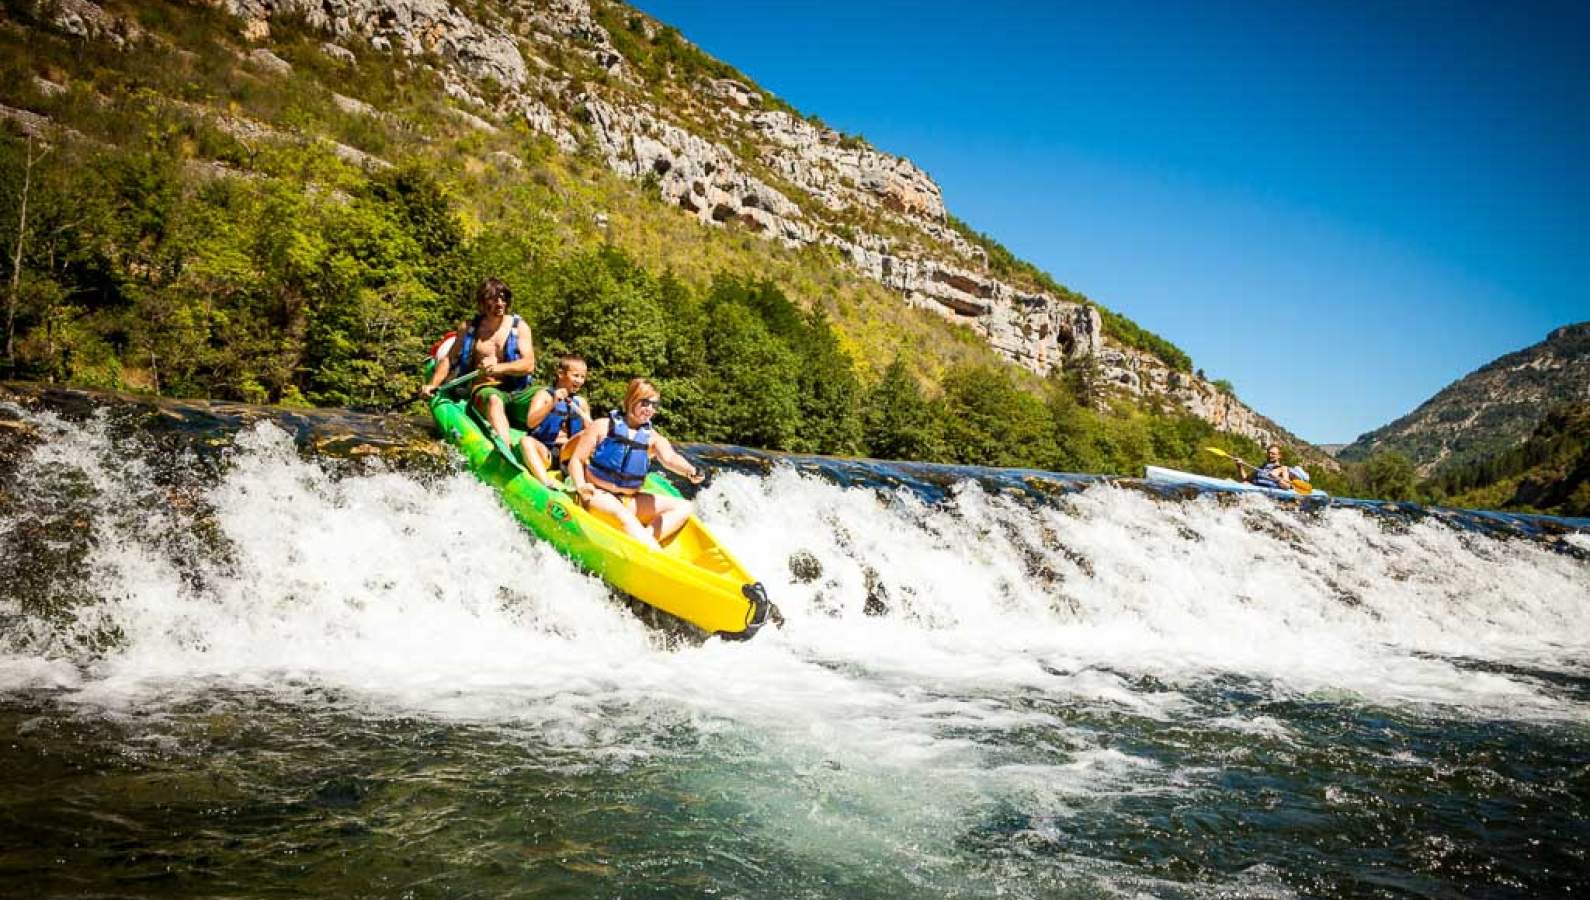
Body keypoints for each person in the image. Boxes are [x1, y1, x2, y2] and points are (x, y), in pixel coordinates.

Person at [566, 378, 705, 547]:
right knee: (623, 516)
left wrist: (690, 470)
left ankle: (644, 542)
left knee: (685, 507)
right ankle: (650, 551)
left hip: (629, 501)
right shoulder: (602, 426)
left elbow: (670, 458)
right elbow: (577, 460)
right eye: (645, 403)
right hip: (597, 494)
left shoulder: (653, 438)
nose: (650, 409)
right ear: (632, 399)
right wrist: (580, 486)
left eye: (654, 405)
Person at [420, 278, 536, 447]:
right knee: (494, 400)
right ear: (483, 302)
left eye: (503, 299)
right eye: (494, 299)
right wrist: (432, 384)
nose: (500, 303)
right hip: (485, 390)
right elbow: (449, 359)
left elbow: (528, 364)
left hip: (515, 391)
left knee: (548, 395)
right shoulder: (468, 328)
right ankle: (506, 449)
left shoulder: (520, 327)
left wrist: (498, 368)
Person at [521, 353, 592, 487]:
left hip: (567, 453)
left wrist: (590, 426)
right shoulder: (544, 395)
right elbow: (530, 422)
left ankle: (584, 483)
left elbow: (591, 435)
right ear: (561, 374)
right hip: (545, 450)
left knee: (587, 435)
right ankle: (545, 483)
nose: (580, 381)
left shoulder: (581, 403)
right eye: (576, 376)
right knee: (525, 441)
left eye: (583, 377)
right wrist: (553, 402)